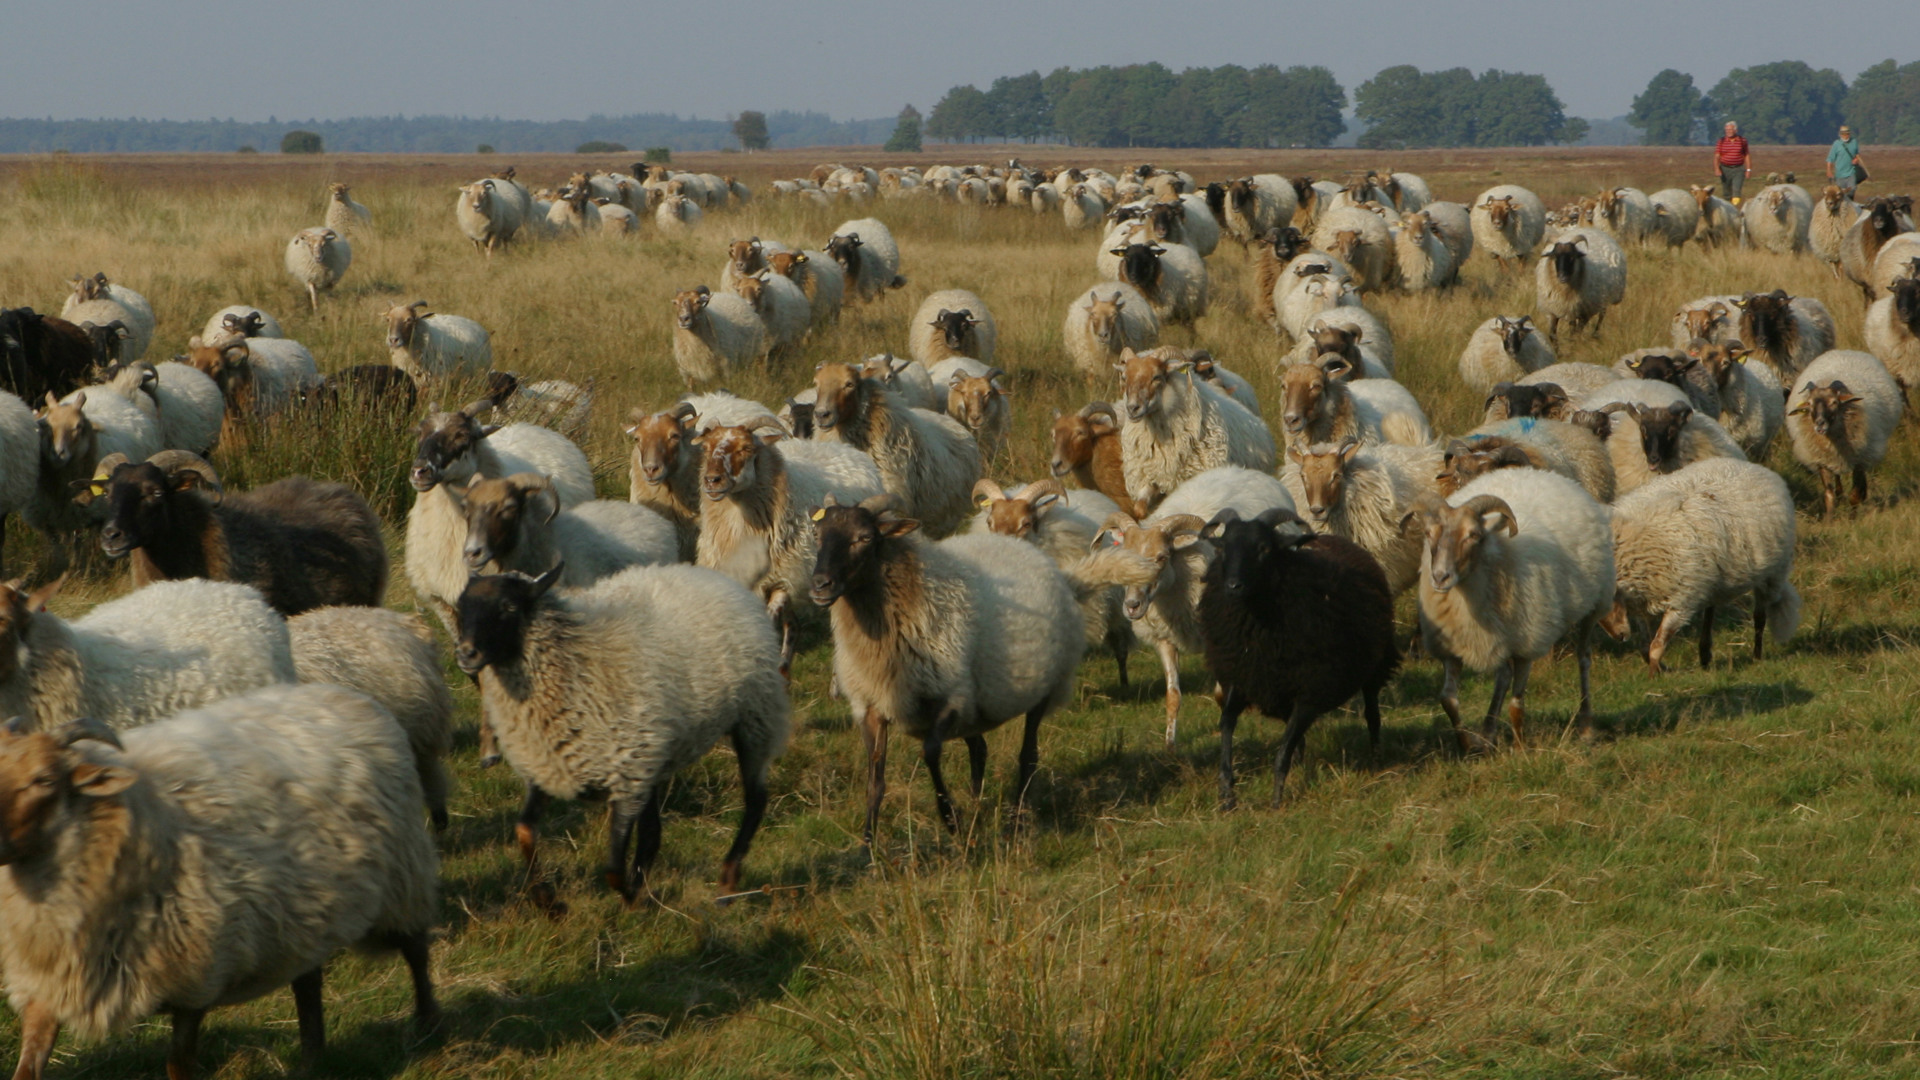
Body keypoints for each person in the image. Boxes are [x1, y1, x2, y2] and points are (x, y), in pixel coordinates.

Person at [1714, 121, 1752, 203]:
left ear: (1735, 130)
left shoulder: (1742, 141)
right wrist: (1717, 169)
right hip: (1725, 168)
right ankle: (1728, 209)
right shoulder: (1721, 141)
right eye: (1726, 130)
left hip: (1739, 168)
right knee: (1726, 192)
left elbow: (1746, 155)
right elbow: (1717, 155)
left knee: (1736, 191)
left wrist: (1748, 169)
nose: (1728, 131)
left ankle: (1735, 207)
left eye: (1730, 129)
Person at [1827, 125, 1862, 198]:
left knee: (1851, 191)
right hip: (1840, 175)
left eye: (1847, 134)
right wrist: (1829, 171)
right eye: (1844, 134)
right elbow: (1830, 158)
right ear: (1840, 134)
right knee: (1840, 194)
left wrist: (1856, 159)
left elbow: (1857, 154)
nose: (1846, 136)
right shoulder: (1836, 144)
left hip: (1851, 173)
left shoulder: (1854, 142)